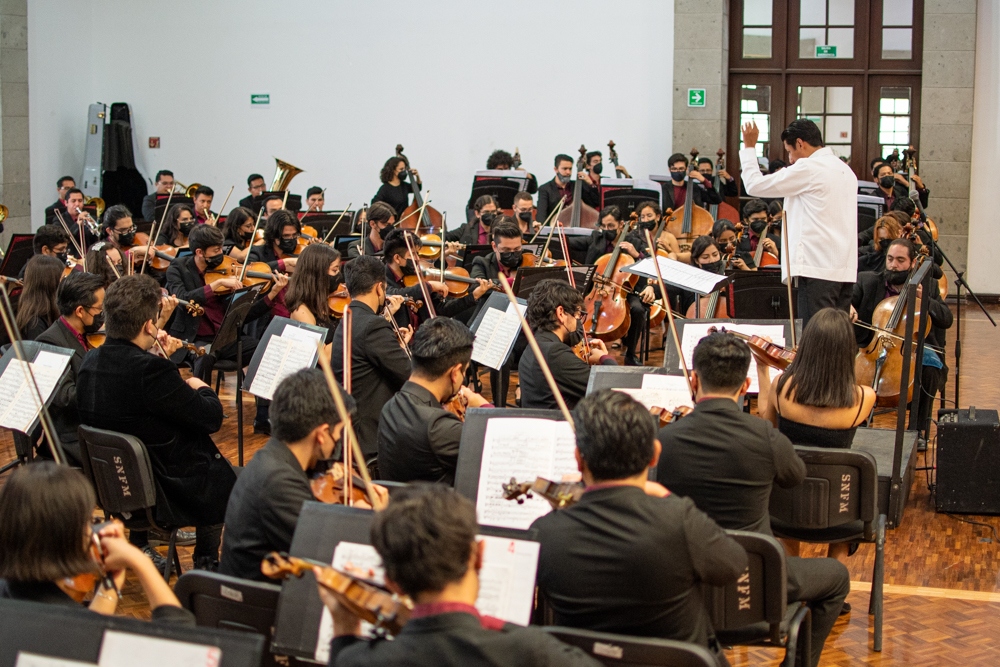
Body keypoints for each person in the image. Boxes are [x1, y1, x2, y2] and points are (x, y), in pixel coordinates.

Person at [655, 332, 850, 667]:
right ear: (745, 386)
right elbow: (794, 477)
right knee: (838, 578)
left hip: (687, 585)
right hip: (758, 586)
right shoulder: (766, 437)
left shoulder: (663, 440)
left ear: (694, 379)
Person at [531, 390, 746, 666]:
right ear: (654, 455)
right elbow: (734, 564)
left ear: (578, 459)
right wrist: (667, 497)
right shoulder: (678, 519)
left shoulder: (543, 534)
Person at [319, 484, 601, 667]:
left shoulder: (356, 661)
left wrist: (344, 629)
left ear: (393, 584)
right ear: (478, 555)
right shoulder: (533, 653)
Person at [77, 274, 238, 571]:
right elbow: (210, 418)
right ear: (149, 325)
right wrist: (198, 384)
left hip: (113, 483)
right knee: (226, 476)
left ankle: (146, 544)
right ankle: (206, 562)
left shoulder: (90, 361)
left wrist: (155, 356)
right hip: (160, 489)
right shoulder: (151, 371)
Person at [220, 369, 383, 581]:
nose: (338, 442)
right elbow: (328, 555)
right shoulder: (278, 482)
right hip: (264, 605)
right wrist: (365, 519)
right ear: (322, 434)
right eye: (338, 434)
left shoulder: (273, 455)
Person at [0, 462, 193, 624]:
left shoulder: (12, 593)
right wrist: (139, 561)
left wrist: (111, 582)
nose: (92, 531)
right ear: (64, 538)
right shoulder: (66, 627)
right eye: (89, 522)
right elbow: (183, 639)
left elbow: (92, 628)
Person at [755, 308, 876, 562]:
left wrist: (762, 369)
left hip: (786, 507)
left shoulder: (782, 385)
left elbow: (766, 425)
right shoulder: (864, 397)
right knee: (848, 499)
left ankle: (792, 580)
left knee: (789, 489)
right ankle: (834, 587)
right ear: (847, 351)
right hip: (840, 510)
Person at [164, 224, 286, 431]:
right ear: (200, 253)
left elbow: (244, 315)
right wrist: (215, 285)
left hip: (226, 336)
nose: (221, 254)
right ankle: (201, 417)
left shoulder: (229, 270)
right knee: (204, 356)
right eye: (216, 251)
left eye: (222, 248)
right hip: (196, 338)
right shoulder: (178, 268)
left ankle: (264, 416)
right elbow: (182, 299)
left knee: (266, 349)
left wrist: (273, 293)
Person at [740, 119, 858, 326]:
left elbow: (754, 185)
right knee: (838, 338)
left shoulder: (809, 168)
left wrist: (749, 148)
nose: (790, 159)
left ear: (801, 143)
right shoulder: (845, 170)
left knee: (816, 339)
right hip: (843, 268)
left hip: (816, 268)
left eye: (789, 151)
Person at [850, 238, 953, 435]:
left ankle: (918, 430)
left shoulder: (928, 286)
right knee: (852, 366)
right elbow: (846, 299)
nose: (893, 265)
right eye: (890, 259)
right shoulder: (868, 280)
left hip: (909, 350)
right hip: (873, 347)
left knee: (930, 370)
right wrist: (849, 306)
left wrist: (926, 301)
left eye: (900, 260)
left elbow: (946, 319)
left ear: (913, 263)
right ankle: (858, 424)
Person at [377, 318, 491, 485]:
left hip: (398, 507)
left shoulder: (390, 407)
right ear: (455, 373)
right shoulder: (439, 427)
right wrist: (483, 405)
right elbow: (498, 449)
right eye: (464, 372)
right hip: (438, 509)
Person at [330, 255, 411, 457]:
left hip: (352, 423)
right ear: (379, 287)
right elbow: (409, 375)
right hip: (371, 431)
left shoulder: (348, 317)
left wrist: (395, 346)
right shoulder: (373, 325)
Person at [34, 271, 106, 465]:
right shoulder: (51, 342)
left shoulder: (87, 334)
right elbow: (65, 396)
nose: (102, 314)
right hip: (73, 436)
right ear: (80, 311)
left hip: (93, 422)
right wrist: (107, 385)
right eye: (100, 308)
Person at [567, 205, 650, 365]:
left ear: (621, 224)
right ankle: (579, 349)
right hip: (596, 289)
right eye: (603, 226)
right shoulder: (596, 238)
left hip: (623, 290)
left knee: (638, 310)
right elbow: (570, 242)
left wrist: (635, 254)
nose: (606, 230)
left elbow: (650, 264)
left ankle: (631, 354)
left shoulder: (634, 242)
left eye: (611, 226)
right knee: (573, 306)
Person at [519, 279, 616, 410]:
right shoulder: (554, 353)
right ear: (561, 313)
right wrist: (604, 358)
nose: (578, 321)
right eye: (577, 314)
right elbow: (615, 386)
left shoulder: (535, 344)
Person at [381, 230, 487, 327]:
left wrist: (473, 296)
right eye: (413, 254)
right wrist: (430, 286)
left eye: (417, 253)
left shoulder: (416, 276)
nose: (418, 259)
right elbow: (396, 294)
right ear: (397, 258)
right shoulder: (381, 280)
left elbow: (441, 310)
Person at [285, 242, 341, 344]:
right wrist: (351, 331)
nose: (339, 275)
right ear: (318, 274)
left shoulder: (328, 301)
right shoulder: (301, 312)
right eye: (335, 270)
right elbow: (322, 356)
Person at [536, 153, 599, 223]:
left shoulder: (577, 186)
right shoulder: (545, 189)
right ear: (556, 169)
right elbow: (541, 215)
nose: (568, 172)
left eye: (570, 169)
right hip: (555, 229)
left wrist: (591, 184)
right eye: (565, 169)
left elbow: (595, 202)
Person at [16, 255, 64, 340]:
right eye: (62, 278)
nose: (64, 282)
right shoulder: (35, 323)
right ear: (51, 284)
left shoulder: (50, 311)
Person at [61, 188, 100, 253]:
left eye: (80, 201)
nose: (77, 204)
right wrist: (77, 224)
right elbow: (62, 239)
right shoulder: (59, 219)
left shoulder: (90, 218)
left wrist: (94, 229)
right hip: (70, 256)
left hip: (89, 255)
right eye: (73, 201)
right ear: (66, 203)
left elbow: (96, 241)